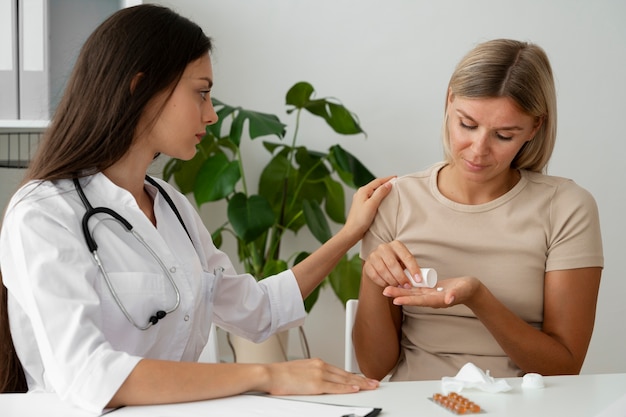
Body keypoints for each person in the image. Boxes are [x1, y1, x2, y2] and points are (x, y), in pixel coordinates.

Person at [0, 4, 393, 413]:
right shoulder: (43, 214)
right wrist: (268, 375)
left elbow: (257, 310)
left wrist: (350, 233)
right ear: (141, 88)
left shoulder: (173, 207)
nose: (212, 113)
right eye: (201, 93)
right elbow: (88, 374)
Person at [353, 39, 603, 382]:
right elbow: (374, 368)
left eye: (503, 135)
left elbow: (564, 366)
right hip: (415, 402)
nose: (478, 150)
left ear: (534, 127)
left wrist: (477, 298)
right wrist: (372, 276)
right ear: (449, 100)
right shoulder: (395, 201)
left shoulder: (566, 208)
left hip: (525, 405)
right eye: (467, 125)